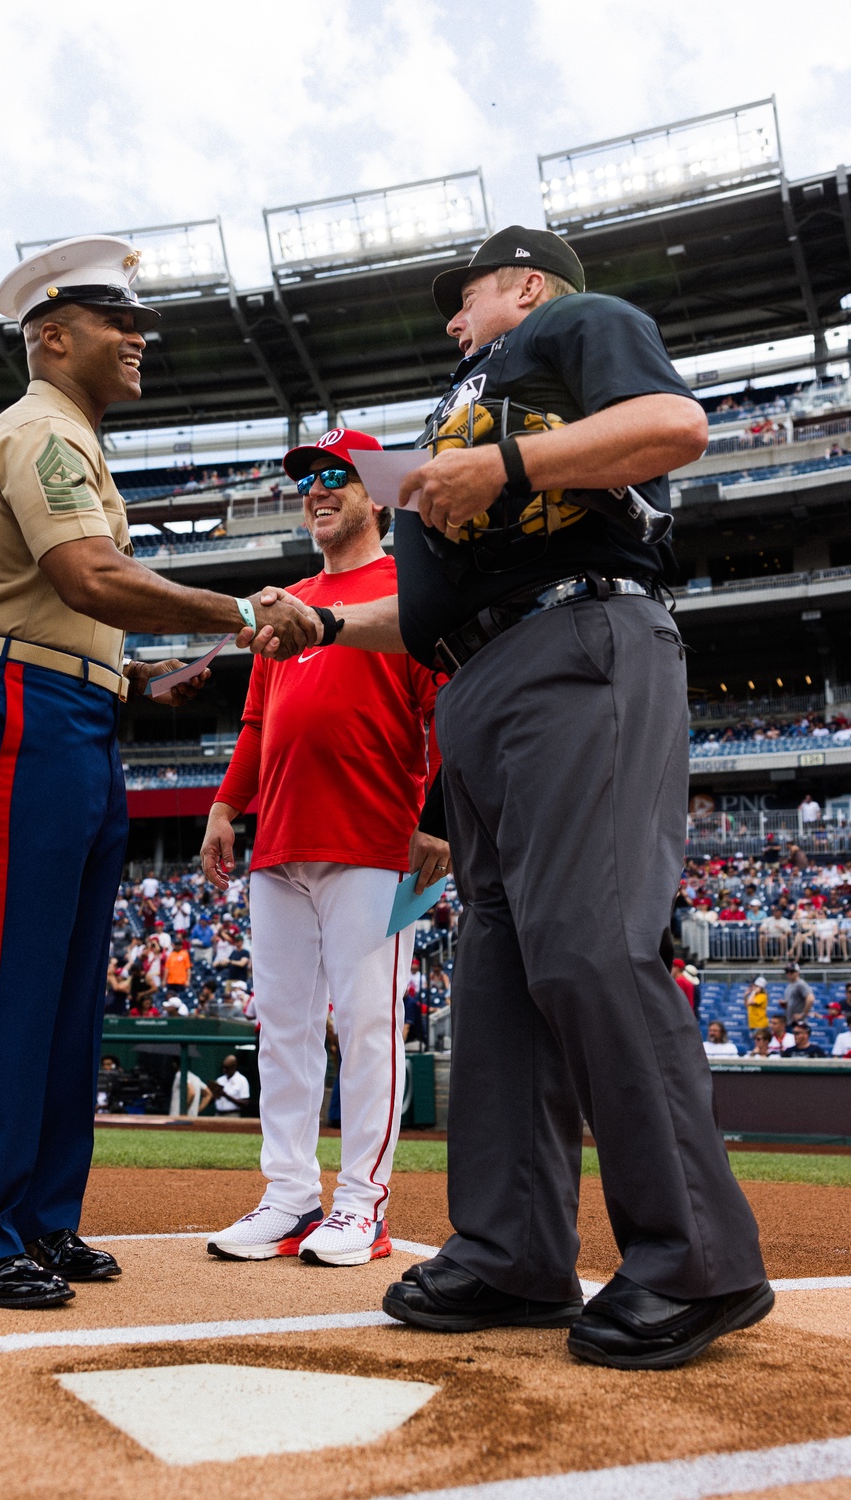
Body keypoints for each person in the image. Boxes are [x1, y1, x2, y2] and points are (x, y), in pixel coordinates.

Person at [372, 224, 770, 1367]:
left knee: (589, 943)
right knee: (496, 971)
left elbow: (673, 427)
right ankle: (510, 1252)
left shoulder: (571, 324)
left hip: (578, 638)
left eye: (467, 295)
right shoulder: (452, 413)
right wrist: (320, 624)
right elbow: (424, 609)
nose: (453, 317)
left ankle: (698, 1260)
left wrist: (497, 465)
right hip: (477, 675)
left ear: (525, 285)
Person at [0, 236, 319, 1312]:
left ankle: (42, 1220)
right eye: (115, 320)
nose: (138, 336)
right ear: (53, 336)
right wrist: (242, 614)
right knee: (15, 980)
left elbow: (76, 607)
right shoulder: (42, 427)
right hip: (24, 710)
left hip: (76, 705)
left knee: (62, 994)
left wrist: (144, 675)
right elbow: (89, 574)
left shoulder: (70, 435)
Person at [204, 429, 448, 1268]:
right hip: (280, 838)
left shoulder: (409, 589)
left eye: (336, 477)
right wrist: (227, 803)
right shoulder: (291, 598)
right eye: (307, 479)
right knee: (284, 1028)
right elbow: (258, 720)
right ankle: (289, 1196)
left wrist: (439, 815)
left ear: (376, 495)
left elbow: (441, 712)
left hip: (375, 837)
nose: (317, 490)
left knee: (370, 1027)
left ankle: (363, 1205)